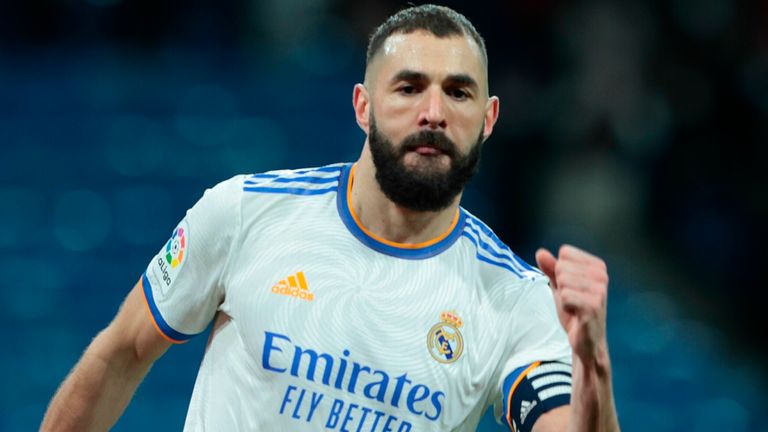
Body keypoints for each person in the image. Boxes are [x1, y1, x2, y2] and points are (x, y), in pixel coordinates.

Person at [42, 5, 620, 431]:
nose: (434, 113)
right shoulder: (246, 212)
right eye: (409, 87)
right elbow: (124, 352)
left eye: (459, 93)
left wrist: (594, 365)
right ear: (363, 107)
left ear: (489, 118)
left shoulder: (515, 299)